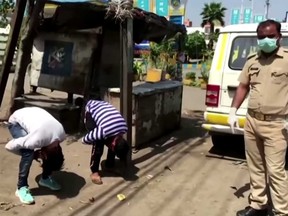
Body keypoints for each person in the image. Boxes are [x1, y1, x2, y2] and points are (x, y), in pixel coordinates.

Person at [228, 20, 288, 216]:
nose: (266, 40)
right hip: (252, 122)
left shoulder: (287, 59)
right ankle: (258, 205)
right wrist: (233, 110)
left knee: (276, 171)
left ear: (279, 36)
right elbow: (243, 86)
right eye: (261, 37)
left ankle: (281, 212)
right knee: (255, 167)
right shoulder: (252, 60)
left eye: (270, 36)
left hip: (277, 124)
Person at [5, 107, 66, 205]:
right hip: (17, 120)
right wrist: (32, 156)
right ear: (43, 156)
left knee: (44, 152)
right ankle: (21, 187)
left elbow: (53, 153)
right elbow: (9, 146)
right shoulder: (35, 140)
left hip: (35, 114)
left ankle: (45, 178)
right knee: (28, 152)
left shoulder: (61, 136)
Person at [82, 99, 130, 185]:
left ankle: (109, 164)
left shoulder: (124, 128)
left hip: (105, 107)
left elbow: (117, 144)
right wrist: (92, 140)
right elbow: (85, 139)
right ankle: (94, 171)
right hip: (91, 108)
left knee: (109, 139)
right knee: (98, 144)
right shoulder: (102, 131)